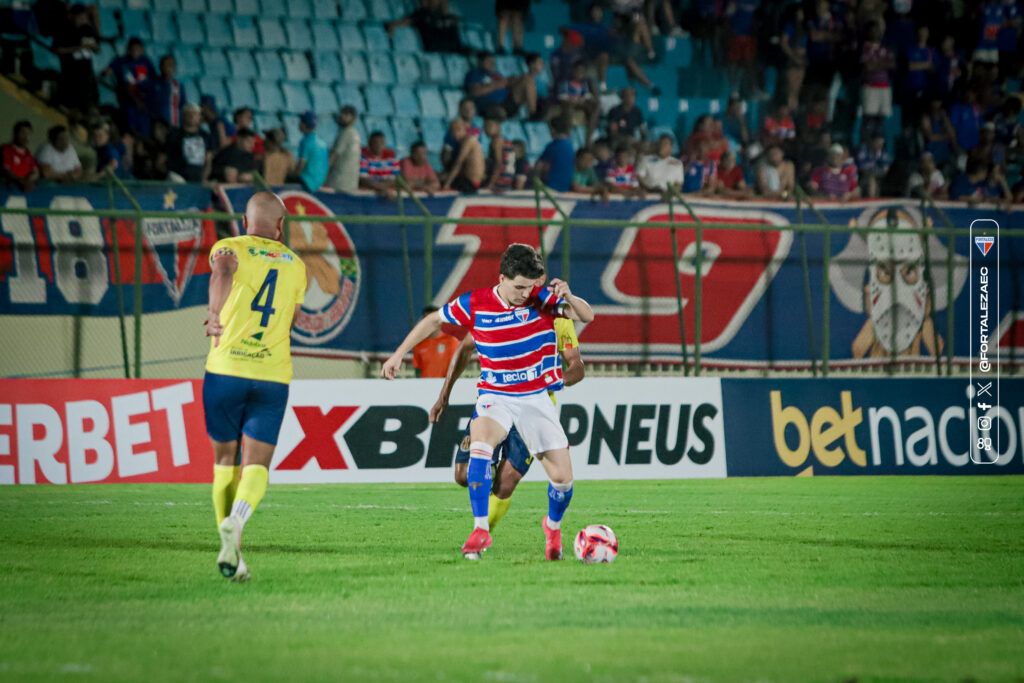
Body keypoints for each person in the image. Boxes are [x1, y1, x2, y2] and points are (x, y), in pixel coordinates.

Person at [381, 243, 595, 560]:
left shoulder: (541, 300)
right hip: (496, 395)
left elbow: (587, 315)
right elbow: (434, 321)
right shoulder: (476, 302)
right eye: (519, 287)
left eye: (530, 286)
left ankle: (552, 527)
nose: (526, 293)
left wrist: (569, 297)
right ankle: (480, 529)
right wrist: (398, 355)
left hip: (536, 399)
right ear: (502, 278)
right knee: (480, 449)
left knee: (563, 481)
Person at [204, 191, 307, 583]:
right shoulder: (296, 265)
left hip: (225, 370)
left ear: (244, 221)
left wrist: (215, 313)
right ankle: (238, 522)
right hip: (271, 375)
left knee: (224, 461)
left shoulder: (229, 246)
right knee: (257, 465)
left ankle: (229, 543)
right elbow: (291, 320)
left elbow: (222, 273)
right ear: (281, 225)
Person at [434, 268, 586, 534]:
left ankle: (481, 535)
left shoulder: (556, 314)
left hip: (532, 409)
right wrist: (444, 394)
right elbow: (465, 348)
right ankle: (486, 476)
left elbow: (577, 366)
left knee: (505, 483)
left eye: (535, 281)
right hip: (495, 403)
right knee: (462, 475)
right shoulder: (494, 309)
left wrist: (557, 379)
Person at [52, 4, 99, 115]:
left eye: (84, 17)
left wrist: (93, 46)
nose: (83, 20)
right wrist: (78, 47)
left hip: (87, 71)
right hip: (71, 71)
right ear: (72, 17)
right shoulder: (64, 30)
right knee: (74, 107)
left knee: (91, 105)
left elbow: (97, 49)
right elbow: (57, 50)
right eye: (80, 17)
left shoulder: (88, 30)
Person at [102, 37, 155, 134]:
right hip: (127, 100)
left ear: (142, 49)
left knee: (145, 129)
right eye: (133, 49)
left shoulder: (146, 61)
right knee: (131, 128)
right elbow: (107, 72)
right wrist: (106, 73)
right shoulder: (120, 61)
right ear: (128, 49)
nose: (135, 51)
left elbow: (153, 79)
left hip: (144, 101)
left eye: (138, 49)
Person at [464, 51, 537, 119]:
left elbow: (505, 85)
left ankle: (533, 114)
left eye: (493, 62)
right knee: (499, 112)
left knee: (528, 78)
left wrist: (512, 82)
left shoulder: (495, 74)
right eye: (489, 61)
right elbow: (475, 92)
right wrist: (498, 84)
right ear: (480, 62)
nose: (492, 64)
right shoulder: (474, 74)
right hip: (489, 105)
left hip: (508, 101)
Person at [384, 0, 464, 54]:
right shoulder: (421, 15)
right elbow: (403, 22)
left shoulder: (451, 19)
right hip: (434, 51)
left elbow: (457, 44)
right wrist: (392, 25)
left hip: (452, 51)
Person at [859, 21, 894, 140]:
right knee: (868, 119)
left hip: (884, 87)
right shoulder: (865, 47)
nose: (875, 33)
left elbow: (892, 64)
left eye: (877, 30)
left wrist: (876, 64)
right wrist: (883, 64)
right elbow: (868, 66)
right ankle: (865, 144)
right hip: (870, 87)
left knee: (881, 120)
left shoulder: (885, 47)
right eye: (872, 30)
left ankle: (878, 146)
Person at [164, 103, 212, 183]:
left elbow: (208, 161)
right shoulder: (174, 134)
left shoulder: (205, 136)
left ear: (199, 117)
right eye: (189, 114)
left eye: (195, 114)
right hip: (177, 178)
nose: (191, 116)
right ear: (183, 116)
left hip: (197, 180)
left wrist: (203, 178)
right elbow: (164, 157)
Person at [555, 61, 599, 145]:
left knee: (594, 107)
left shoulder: (584, 83)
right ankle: (567, 135)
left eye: (582, 71)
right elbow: (562, 97)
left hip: (580, 103)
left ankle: (589, 137)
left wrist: (583, 99)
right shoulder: (565, 82)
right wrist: (573, 100)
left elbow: (586, 95)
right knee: (569, 108)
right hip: (568, 104)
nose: (579, 73)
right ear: (573, 71)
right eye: (577, 71)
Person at [412, 306, 459, 377]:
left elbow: (455, 368)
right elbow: (417, 370)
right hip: (425, 383)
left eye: (432, 321)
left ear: (440, 321)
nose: (429, 324)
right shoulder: (418, 343)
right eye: (426, 321)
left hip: (445, 383)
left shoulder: (451, 341)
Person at [441, 118, 485, 193]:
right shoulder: (466, 141)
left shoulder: (468, 141)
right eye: (452, 131)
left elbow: (458, 163)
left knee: (440, 179)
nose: (454, 133)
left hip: (471, 184)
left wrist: (447, 184)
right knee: (440, 175)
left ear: (464, 129)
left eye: (457, 129)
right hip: (471, 181)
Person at [534, 116, 574, 192]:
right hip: (566, 186)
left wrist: (536, 180)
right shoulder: (570, 146)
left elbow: (539, 166)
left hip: (552, 186)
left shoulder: (553, 146)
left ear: (552, 129)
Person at [144, 54, 185, 130]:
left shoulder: (179, 86)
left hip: (175, 126)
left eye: (172, 65)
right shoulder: (152, 84)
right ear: (161, 67)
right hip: (157, 127)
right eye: (167, 65)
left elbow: (183, 106)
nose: (170, 67)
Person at [326, 105, 361, 193]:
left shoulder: (346, 133)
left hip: (339, 183)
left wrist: (322, 174)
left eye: (346, 115)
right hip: (351, 184)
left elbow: (334, 156)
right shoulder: (355, 134)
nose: (342, 117)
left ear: (353, 118)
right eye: (342, 114)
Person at [441, 98, 480, 168]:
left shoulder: (475, 128)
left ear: (474, 110)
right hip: (455, 160)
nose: (468, 110)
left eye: (471, 108)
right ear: (460, 110)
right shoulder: (455, 126)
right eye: (465, 108)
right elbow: (447, 149)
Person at [359, 130, 399, 197]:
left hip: (384, 190)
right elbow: (363, 179)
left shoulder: (392, 157)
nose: (379, 145)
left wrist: (383, 187)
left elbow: (394, 179)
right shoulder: (363, 157)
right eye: (375, 143)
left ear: (385, 144)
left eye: (381, 142)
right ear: (369, 144)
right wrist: (382, 188)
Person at [295, 111, 328, 192]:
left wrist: (295, 175)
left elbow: (302, 163)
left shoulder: (306, 141)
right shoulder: (323, 142)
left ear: (303, 124)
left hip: (308, 183)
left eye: (300, 122)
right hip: (321, 182)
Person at [2, 121, 39, 192]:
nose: (26, 137)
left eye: (29, 133)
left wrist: (28, 180)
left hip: (25, 190)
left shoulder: (27, 153)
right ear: (15, 134)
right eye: (23, 133)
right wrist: (21, 181)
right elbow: (7, 171)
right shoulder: (6, 149)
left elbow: (35, 172)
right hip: (8, 190)